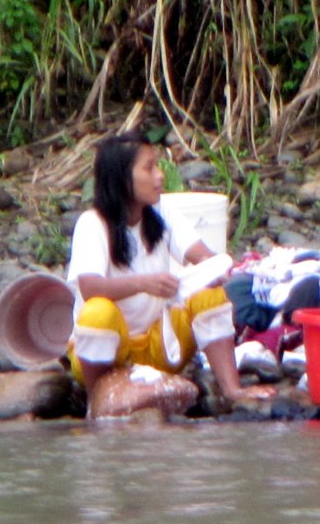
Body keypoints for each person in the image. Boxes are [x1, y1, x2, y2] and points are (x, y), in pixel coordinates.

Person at [66, 131, 274, 414]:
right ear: (122, 178)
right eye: (149, 168)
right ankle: (99, 399)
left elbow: (201, 255)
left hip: (157, 346)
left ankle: (232, 389)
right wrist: (144, 283)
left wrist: (216, 268)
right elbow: (90, 288)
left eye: (157, 166)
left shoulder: (161, 211)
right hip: (105, 352)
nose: (160, 176)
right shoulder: (92, 223)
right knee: (97, 312)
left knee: (209, 294)